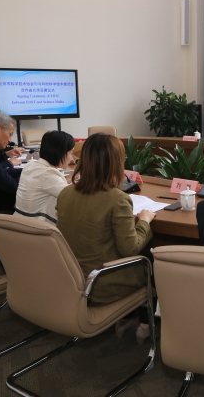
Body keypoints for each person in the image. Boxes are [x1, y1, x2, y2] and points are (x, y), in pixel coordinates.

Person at [56, 133, 155, 343]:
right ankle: (145, 326)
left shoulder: (65, 193)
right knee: (154, 262)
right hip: (103, 284)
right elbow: (131, 248)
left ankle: (126, 318)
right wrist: (145, 221)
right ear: (116, 163)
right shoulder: (118, 199)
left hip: (72, 280)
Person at [14, 131, 75, 224]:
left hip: (20, 222)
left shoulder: (30, 165)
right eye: (71, 153)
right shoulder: (48, 175)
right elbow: (74, 198)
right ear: (60, 153)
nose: (71, 158)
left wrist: (67, 182)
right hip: (37, 228)